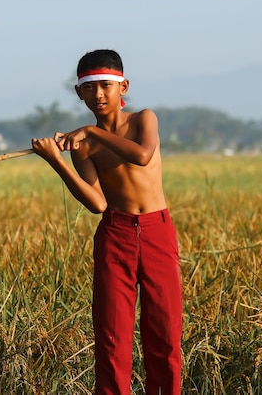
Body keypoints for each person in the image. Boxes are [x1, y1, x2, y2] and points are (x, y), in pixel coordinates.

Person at [31, 49, 182, 395]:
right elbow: (97, 203)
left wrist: (90, 132)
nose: (98, 95)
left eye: (105, 86)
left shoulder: (144, 120)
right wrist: (57, 161)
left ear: (123, 86)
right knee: (112, 337)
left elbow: (142, 156)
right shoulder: (83, 147)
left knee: (165, 334)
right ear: (78, 92)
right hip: (116, 234)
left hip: (158, 230)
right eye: (89, 88)